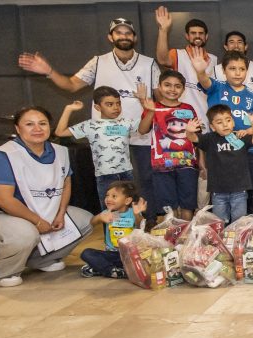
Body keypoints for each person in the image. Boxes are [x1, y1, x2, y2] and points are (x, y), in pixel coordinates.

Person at [17, 17, 159, 223]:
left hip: (140, 132)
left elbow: (161, 96)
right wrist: (49, 71)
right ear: (110, 37)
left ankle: (146, 224)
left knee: (143, 182)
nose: (124, 36)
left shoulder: (149, 63)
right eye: (119, 32)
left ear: (134, 37)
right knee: (110, 189)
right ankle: (113, 231)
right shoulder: (99, 61)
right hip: (105, 137)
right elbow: (71, 85)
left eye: (128, 32)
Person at [0, 106, 94, 287]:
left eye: (42, 123)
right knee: (25, 233)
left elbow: (66, 182)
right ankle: (6, 271)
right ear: (18, 129)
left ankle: (40, 260)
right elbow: (4, 200)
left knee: (85, 221)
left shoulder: (60, 151)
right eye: (29, 124)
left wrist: (60, 212)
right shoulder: (3, 155)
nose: (37, 129)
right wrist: (37, 221)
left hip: (42, 210)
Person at [193, 49, 253, 216]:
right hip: (222, 153)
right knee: (224, 196)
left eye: (242, 69)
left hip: (251, 150)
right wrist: (200, 71)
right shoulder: (217, 88)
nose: (237, 73)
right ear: (223, 70)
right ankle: (226, 232)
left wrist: (249, 129)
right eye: (232, 68)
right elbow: (205, 82)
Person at [54, 87, 137, 208]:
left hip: (126, 173)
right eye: (109, 104)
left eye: (118, 104)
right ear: (98, 107)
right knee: (109, 210)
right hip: (105, 175)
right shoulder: (90, 125)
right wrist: (69, 109)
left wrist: (147, 107)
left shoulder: (126, 122)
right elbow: (60, 132)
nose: (115, 107)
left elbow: (144, 128)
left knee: (129, 209)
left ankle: (132, 227)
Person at [137, 70, 198, 221]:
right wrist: (151, 111)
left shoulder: (188, 109)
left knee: (187, 205)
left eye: (177, 86)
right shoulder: (154, 107)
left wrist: (202, 162)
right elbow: (142, 130)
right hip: (162, 166)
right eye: (167, 85)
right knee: (168, 207)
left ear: (183, 89)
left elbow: (197, 137)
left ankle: (186, 239)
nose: (172, 89)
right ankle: (172, 239)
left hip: (187, 164)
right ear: (159, 86)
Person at [188, 104, 253, 224]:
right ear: (212, 127)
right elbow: (193, 138)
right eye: (219, 122)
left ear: (233, 121)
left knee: (239, 222)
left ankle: (237, 241)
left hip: (239, 190)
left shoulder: (239, 136)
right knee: (220, 222)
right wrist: (188, 131)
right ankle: (222, 241)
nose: (225, 124)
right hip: (218, 191)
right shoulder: (209, 139)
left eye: (228, 120)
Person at [155, 6, 216, 131]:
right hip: (181, 115)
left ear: (206, 36)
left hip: (205, 114)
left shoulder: (214, 59)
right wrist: (163, 30)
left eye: (201, 33)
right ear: (187, 36)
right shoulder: (177, 54)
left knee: (203, 148)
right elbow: (162, 59)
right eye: (193, 33)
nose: (197, 36)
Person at [79, 181, 146, 279]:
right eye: (107, 196)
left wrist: (137, 214)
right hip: (112, 254)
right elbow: (92, 223)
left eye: (114, 196)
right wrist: (99, 217)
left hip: (129, 254)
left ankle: (102, 269)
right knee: (86, 253)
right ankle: (113, 271)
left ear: (127, 201)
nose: (108, 199)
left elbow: (141, 226)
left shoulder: (133, 213)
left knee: (143, 257)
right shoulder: (107, 213)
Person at [214, 31, 253, 121]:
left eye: (239, 42)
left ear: (246, 46)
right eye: (231, 42)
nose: (236, 46)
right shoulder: (216, 69)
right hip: (226, 124)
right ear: (225, 47)